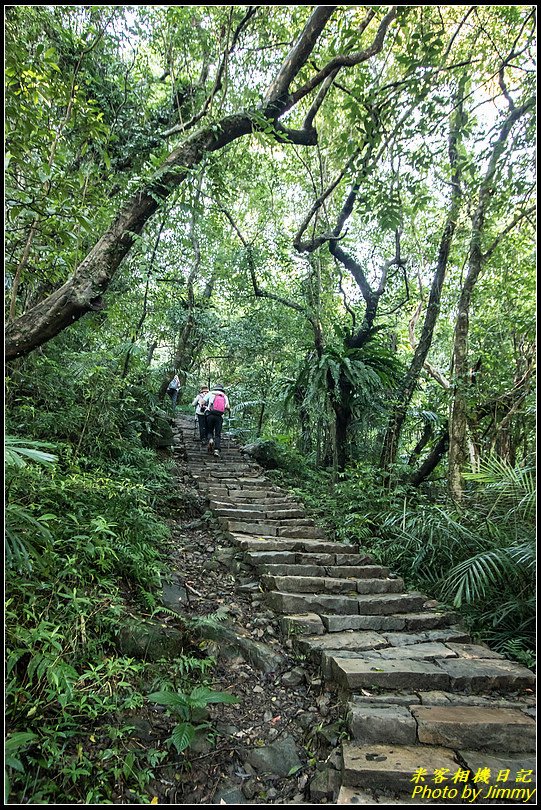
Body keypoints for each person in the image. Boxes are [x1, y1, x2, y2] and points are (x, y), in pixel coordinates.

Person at [202, 384, 230, 457]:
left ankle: (210, 439)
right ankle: (216, 450)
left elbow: (202, 402)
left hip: (210, 415)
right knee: (218, 434)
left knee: (209, 430)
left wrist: (205, 406)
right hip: (219, 417)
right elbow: (227, 407)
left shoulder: (210, 393)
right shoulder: (224, 396)